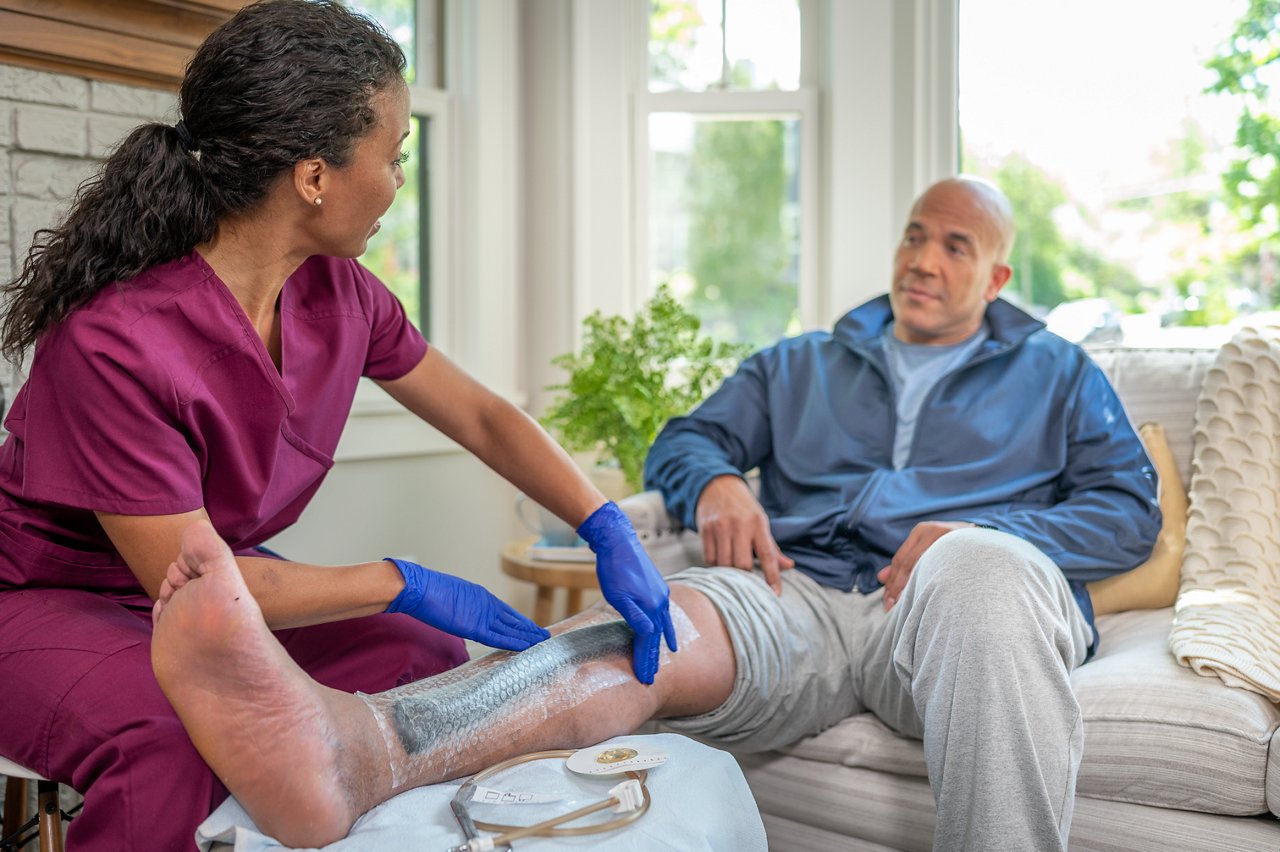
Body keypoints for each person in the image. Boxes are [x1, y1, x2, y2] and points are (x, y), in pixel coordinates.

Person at [148, 176, 1160, 851]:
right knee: (638, 634)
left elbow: (1127, 512)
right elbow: (683, 438)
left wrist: (989, 536)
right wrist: (714, 482)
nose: (923, 260)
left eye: (954, 244)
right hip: (795, 597)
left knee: (979, 573)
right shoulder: (800, 362)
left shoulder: (1057, 373)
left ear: (996, 275)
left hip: (943, 604)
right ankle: (361, 747)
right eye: (912, 235)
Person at [0, 2, 672, 849]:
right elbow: (198, 586)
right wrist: (399, 578)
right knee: (168, 741)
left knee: (415, 655)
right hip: (46, 598)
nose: (398, 182)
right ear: (315, 177)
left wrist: (601, 521)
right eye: (393, 158)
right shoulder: (114, 341)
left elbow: (482, 415)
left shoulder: (338, 293)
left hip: (206, 584)